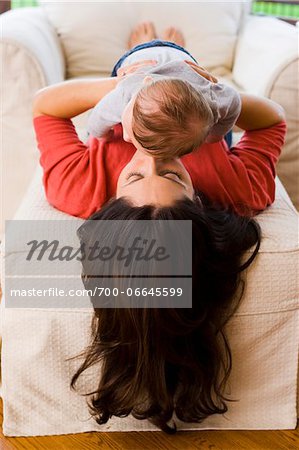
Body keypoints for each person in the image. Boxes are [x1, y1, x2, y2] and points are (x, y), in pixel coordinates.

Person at [32, 24, 285, 433]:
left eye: (132, 179)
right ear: (197, 202)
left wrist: (127, 85)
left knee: (144, 52)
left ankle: (138, 49)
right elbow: (273, 121)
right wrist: (210, 94)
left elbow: (44, 106)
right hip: (197, 92)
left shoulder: (80, 186)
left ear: (109, 210)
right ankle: (176, 50)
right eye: (173, 176)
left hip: (123, 79)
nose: (149, 159)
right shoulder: (235, 190)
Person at [87, 22, 241, 156]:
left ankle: (160, 43)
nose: (127, 138)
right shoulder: (128, 88)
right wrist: (217, 135)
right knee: (120, 78)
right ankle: (151, 43)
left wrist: (215, 133)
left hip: (175, 58)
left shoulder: (214, 98)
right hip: (146, 58)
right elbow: (96, 122)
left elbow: (234, 101)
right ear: (144, 82)